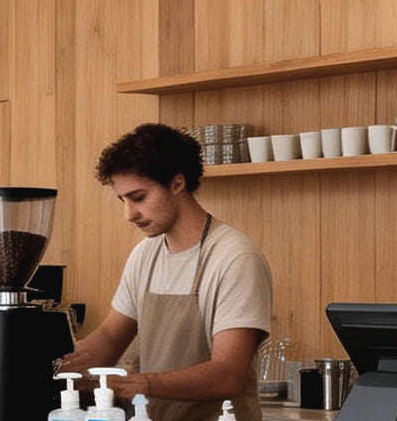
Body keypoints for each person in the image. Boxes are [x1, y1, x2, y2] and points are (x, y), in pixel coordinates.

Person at [61, 123, 273, 421]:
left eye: (138, 198)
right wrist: (57, 365)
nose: (129, 215)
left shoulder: (234, 257)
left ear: (177, 183)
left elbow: (228, 375)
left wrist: (144, 382)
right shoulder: (145, 255)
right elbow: (110, 336)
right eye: (122, 200)